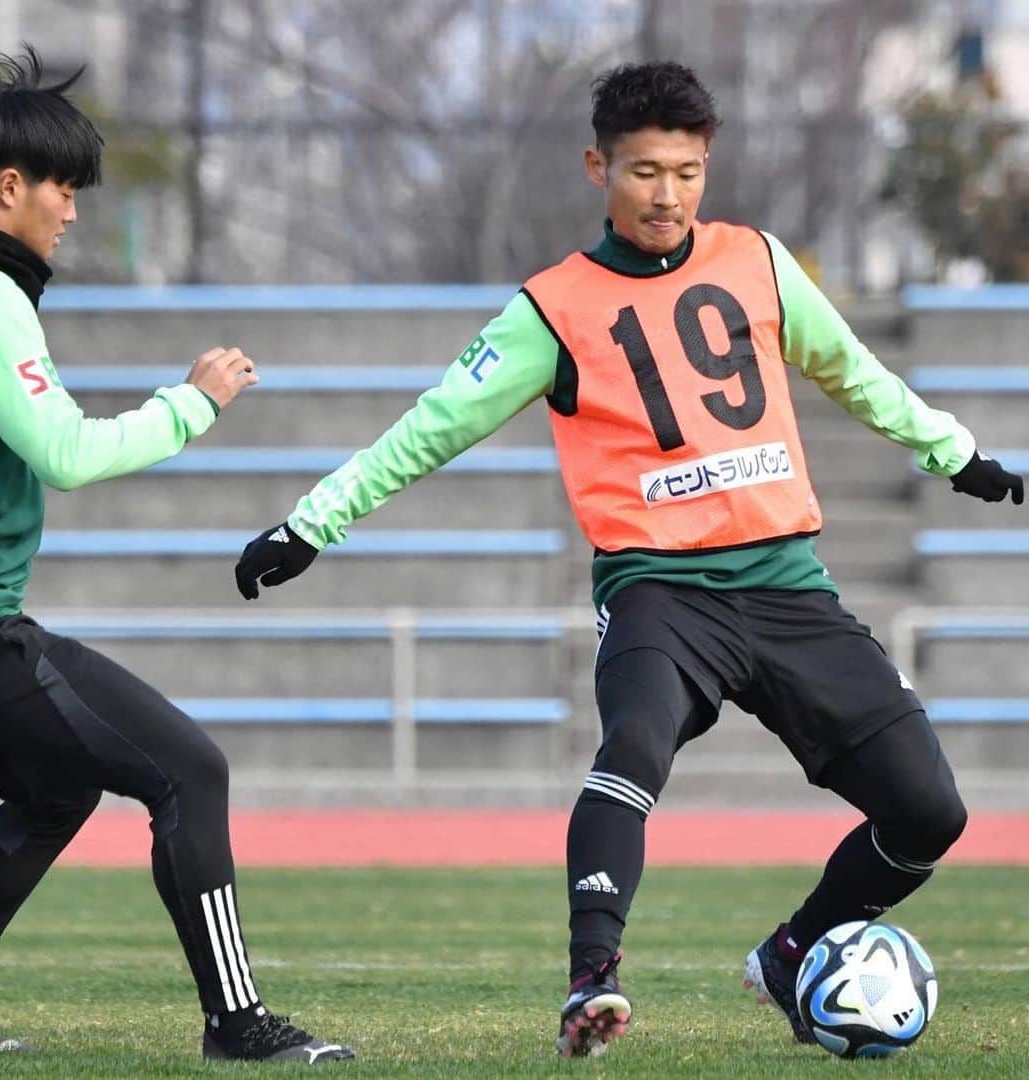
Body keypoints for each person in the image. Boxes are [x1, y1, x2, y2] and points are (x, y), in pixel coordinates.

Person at [235, 61, 1023, 1059]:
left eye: (688, 171)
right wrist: (310, 525)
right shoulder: (550, 309)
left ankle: (793, 954)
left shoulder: (761, 262)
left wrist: (956, 456)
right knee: (634, 750)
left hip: (786, 585)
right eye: (645, 170)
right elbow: (428, 430)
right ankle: (589, 985)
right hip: (660, 592)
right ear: (597, 166)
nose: (668, 194)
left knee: (929, 811)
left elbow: (854, 375)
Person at [0, 46, 353, 1064]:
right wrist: (193, 404)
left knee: (54, 789)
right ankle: (238, 1023)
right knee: (189, 769)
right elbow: (66, 454)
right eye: (64, 189)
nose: (72, 212)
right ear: (9, 188)